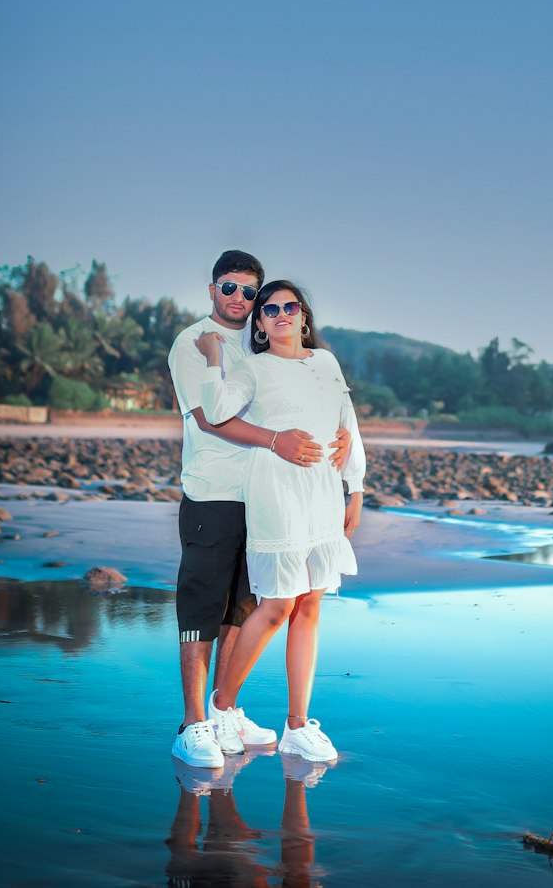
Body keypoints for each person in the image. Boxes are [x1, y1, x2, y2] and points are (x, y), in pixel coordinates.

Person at [168, 252, 352, 768]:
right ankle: (193, 723)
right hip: (215, 493)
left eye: (251, 294)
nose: (240, 301)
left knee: (244, 608)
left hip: (267, 499)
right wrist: (277, 441)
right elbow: (208, 418)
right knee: (202, 609)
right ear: (212, 289)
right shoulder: (195, 342)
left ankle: (224, 713)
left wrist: (337, 444)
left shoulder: (260, 350)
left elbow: (313, 403)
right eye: (231, 289)